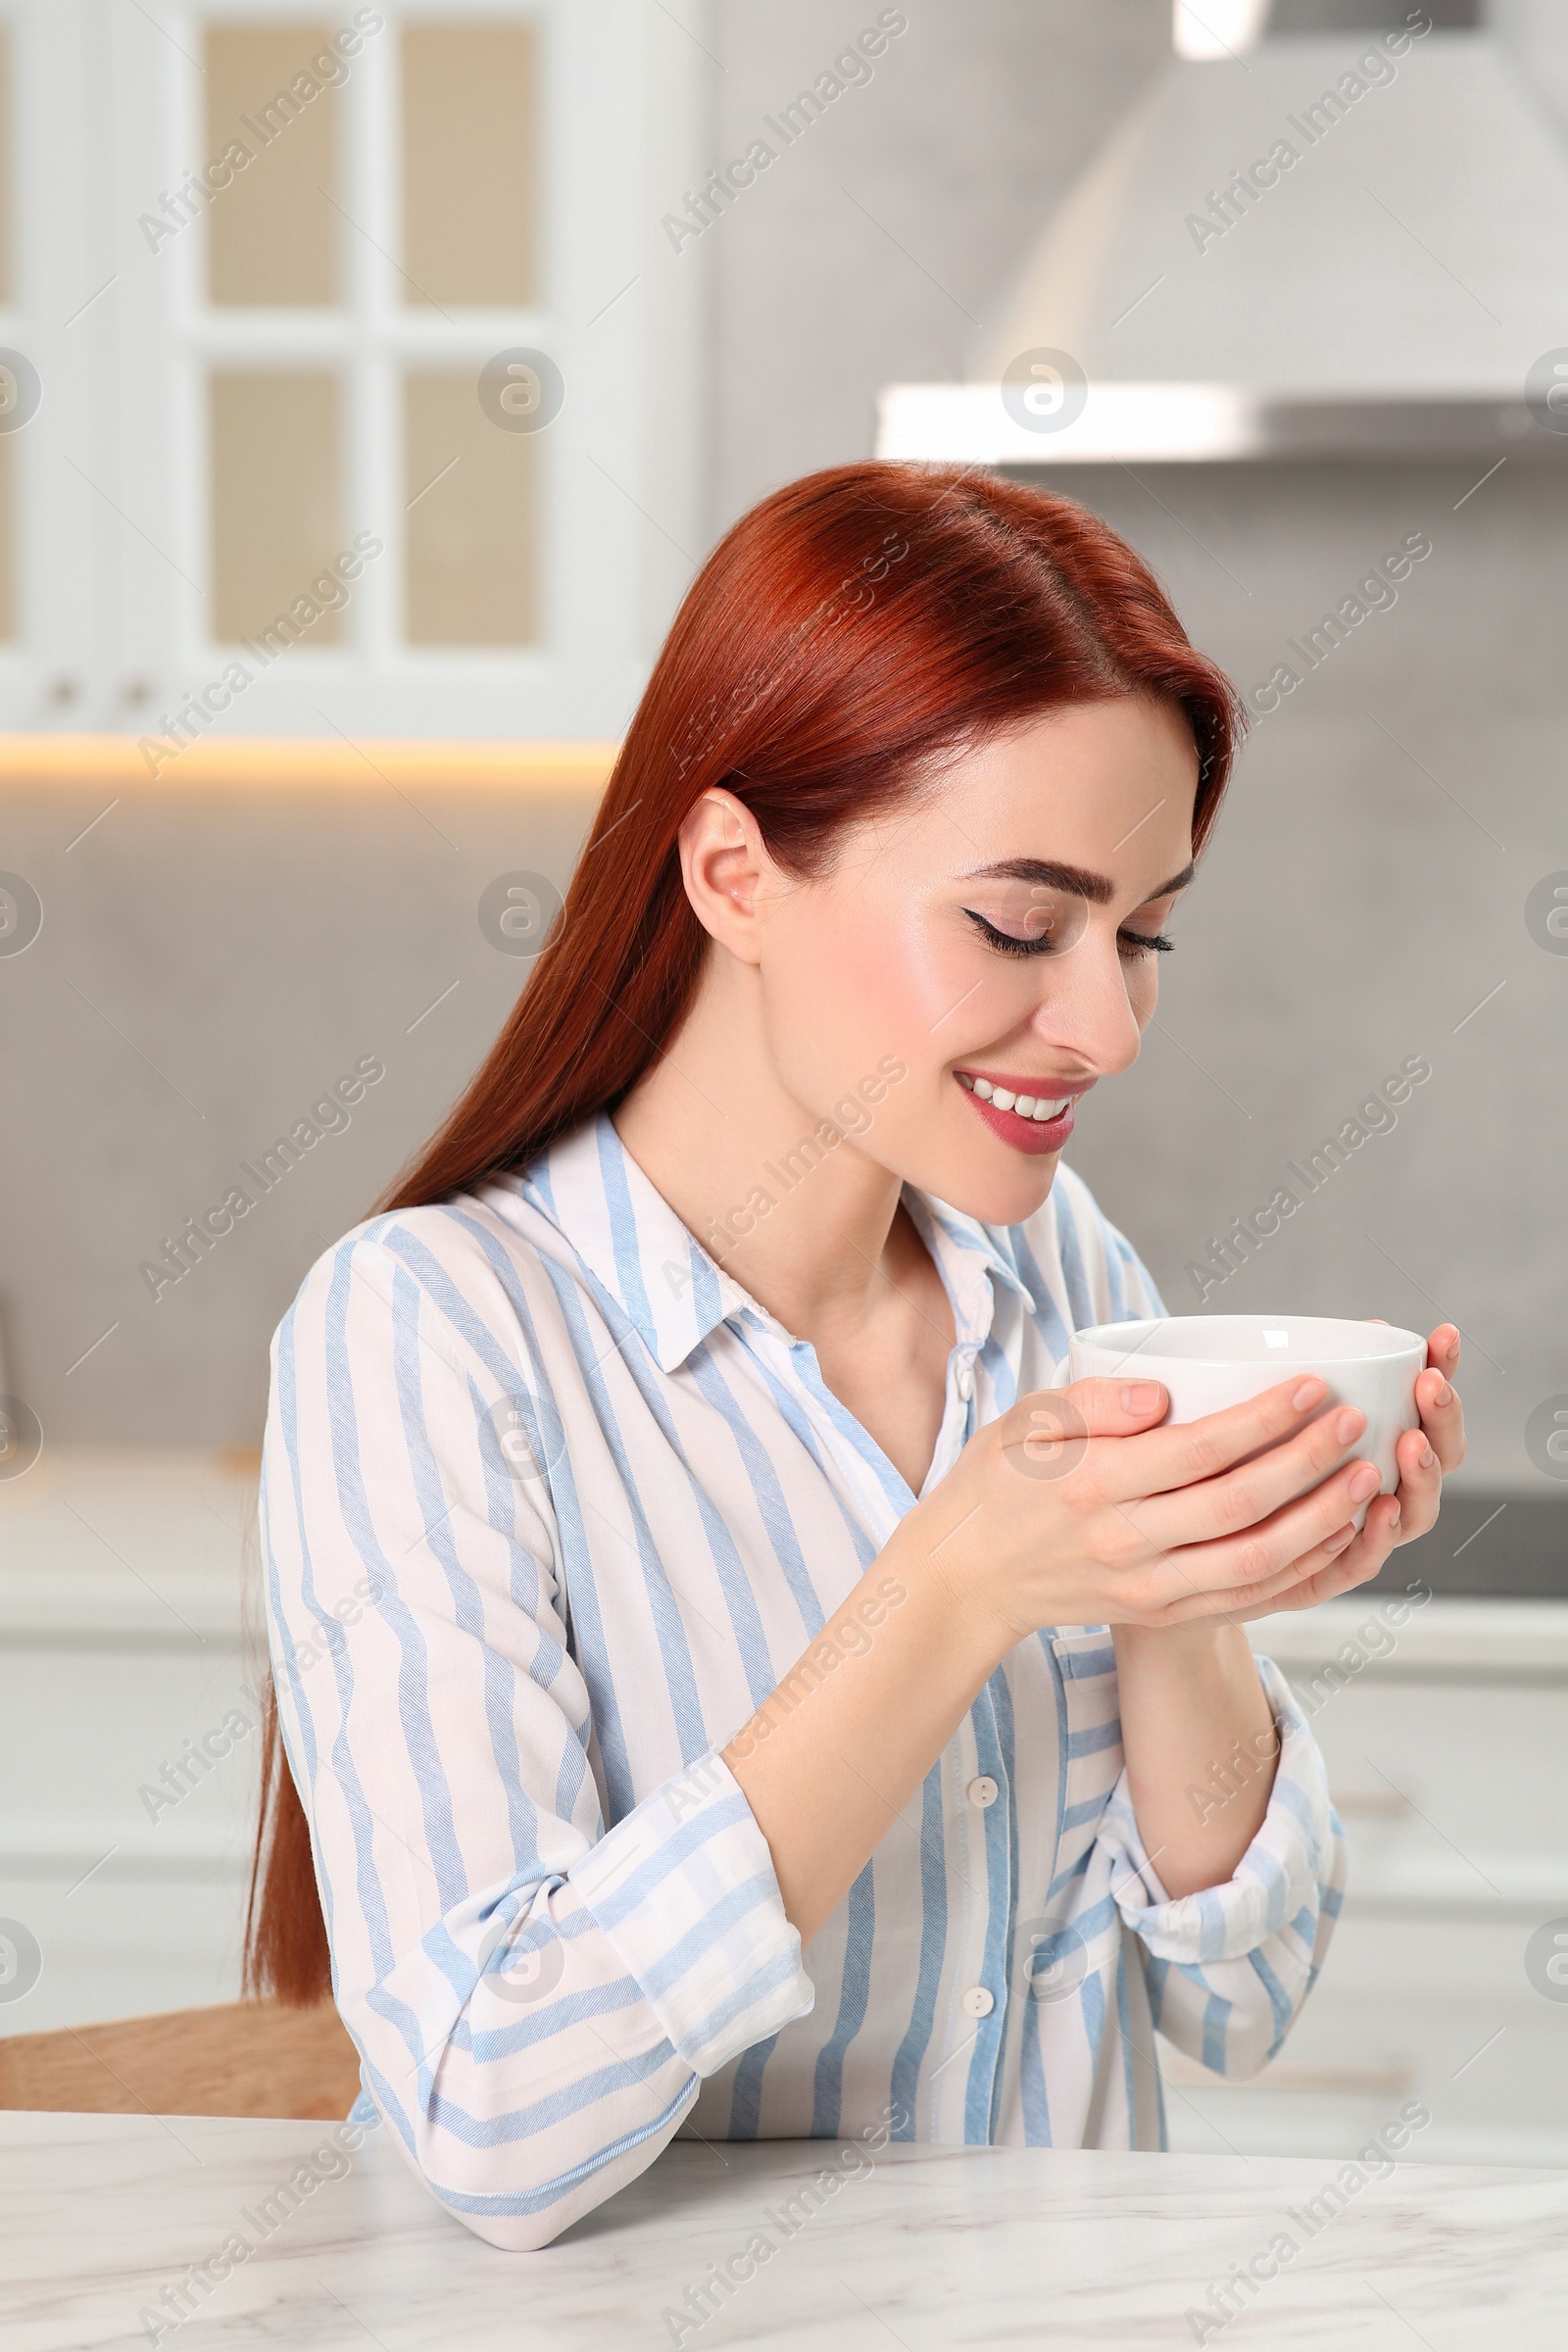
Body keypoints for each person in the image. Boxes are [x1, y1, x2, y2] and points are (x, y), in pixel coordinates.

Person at [245, 463, 1466, 2250]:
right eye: (1018, 925)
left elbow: (1237, 1999)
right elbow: (494, 2119)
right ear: (736, 871)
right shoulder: (428, 1334)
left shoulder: (1057, 1267)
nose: (1109, 1026)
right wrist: (955, 1583)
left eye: (1142, 935)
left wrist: (1178, 1581)